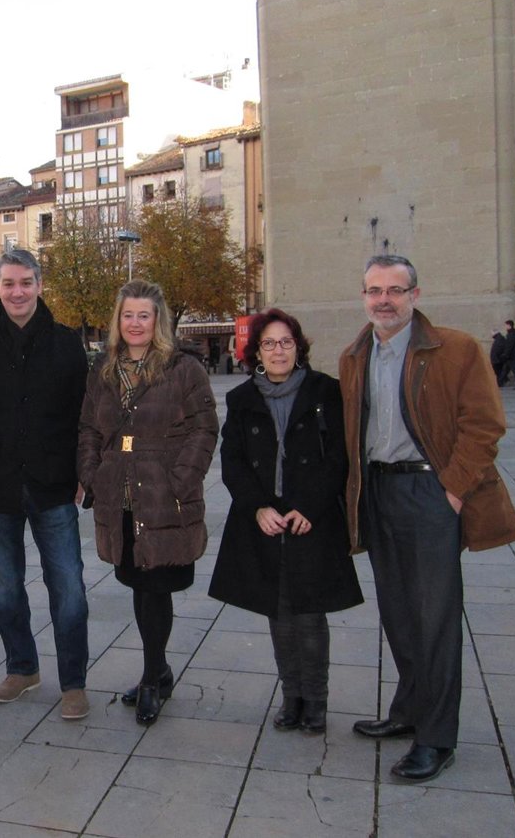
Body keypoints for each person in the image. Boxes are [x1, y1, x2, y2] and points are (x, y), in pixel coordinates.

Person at [340, 254, 515, 782]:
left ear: (414, 295)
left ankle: (437, 738)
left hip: (429, 492)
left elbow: (484, 424)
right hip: (378, 491)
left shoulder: (455, 349)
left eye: (395, 290)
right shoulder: (355, 355)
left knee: (435, 618)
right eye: (375, 290)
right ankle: (409, 710)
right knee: (398, 612)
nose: (384, 300)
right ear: (364, 296)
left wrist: (454, 491)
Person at [208, 308, 362, 736]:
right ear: (256, 352)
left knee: (309, 613)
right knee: (277, 611)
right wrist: (257, 507)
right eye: (269, 344)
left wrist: (310, 506)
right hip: (266, 518)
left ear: (299, 347)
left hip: (310, 517)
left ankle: (316, 701)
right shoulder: (242, 399)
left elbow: (340, 456)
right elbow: (233, 460)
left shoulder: (324, 391)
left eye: (286, 342)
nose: (278, 351)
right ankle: (291, 696)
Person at [77, 280, 218, 726]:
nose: (135, 323)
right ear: (117, 320)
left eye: (144, 315)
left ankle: (153, 679)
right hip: (120, 494)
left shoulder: (182, 368)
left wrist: (182, 479)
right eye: (128, 315)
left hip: (163, 496)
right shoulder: (104, 369)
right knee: (139, 585)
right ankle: (157, 671)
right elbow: (89, 428)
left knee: (156, 587)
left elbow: (204, 428)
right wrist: (91, 474)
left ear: (158, 320)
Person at [0, 248, 91, 721]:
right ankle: (22, 668)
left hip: (53, 484)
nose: (17, 292)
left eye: (25, 282)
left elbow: (84, 414)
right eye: (8, 283)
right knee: (4, 589)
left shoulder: (66, 343)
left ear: (39, 285)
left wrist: (84, 472)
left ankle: (73, 682)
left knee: (68, 589)